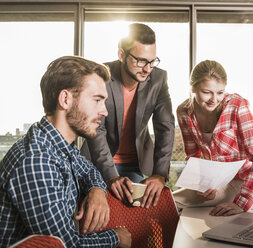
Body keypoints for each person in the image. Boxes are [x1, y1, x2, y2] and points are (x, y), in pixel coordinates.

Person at [0, 56, 131, 248]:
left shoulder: (58, 144)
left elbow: (89, 171)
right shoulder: (37, 162)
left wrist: (97, 191)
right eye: (97, 100)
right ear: (65, 99)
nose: (105, 111)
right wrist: (116, 238)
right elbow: (64, 245)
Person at [81, 23, 175, 209]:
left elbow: (166, 126)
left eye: (152, 61)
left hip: (135, 164)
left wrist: (160, 174)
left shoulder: (158, 79)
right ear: (121, 55)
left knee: (142, 212)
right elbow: (97, 127)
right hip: (97, 162)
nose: (147, 69)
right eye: (140, 61)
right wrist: (111, 176)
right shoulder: (101, 76)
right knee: (97, 213)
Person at [174, 60, 253, 216]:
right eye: (207, 92)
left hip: (242, 182)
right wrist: (202, 185)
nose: (214, 99)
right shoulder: (183, 112)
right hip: (214, 182)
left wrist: (242, 203)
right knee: (168, 203)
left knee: (173, 203)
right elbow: (193, 157)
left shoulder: (237, 106)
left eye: (220, 92)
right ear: (193, 88)